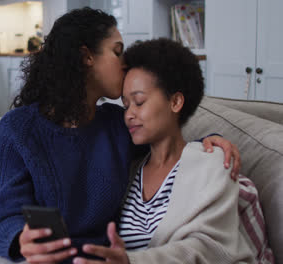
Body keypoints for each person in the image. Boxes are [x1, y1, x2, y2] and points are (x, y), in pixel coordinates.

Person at [0, 8, 240, 264]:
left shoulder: (118, 126)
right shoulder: (19, 129)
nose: (125, 63)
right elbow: (2, 215)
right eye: (117, 52)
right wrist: (22, 240)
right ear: (86, 57)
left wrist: (209, 140)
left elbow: (166, 139)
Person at [72, 38, 254, 263]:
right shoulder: (128, 171)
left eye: (139, 102)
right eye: (126, 105)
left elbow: (210, 248)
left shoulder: (214, 163)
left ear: (175, 102)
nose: (128, 114)